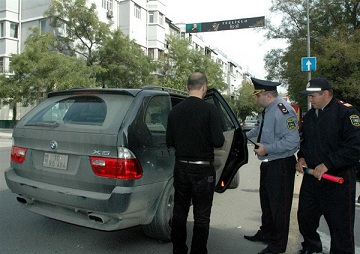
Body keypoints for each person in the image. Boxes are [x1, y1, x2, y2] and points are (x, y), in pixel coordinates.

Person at [295, 78, 360, 254]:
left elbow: (354, 147)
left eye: (313, 96)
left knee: (340, 228)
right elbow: (306, 142)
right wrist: (301, 157)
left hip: (338, 179)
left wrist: (328, 164)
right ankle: (311, 246)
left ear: (325, 93)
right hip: (312, 178)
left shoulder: (346, 113)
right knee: (305, 218)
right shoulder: (309, 116)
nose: (310, 100)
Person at [166, 72, 225, 254]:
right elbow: (218, 141)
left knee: (179, 212)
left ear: (187, 87)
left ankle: (179, 249)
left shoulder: (175, 110)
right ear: (204, 87)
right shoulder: (210, 110)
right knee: (201, 216)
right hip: (203, 170)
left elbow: (170, 141)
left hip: (181, 167)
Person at [244, 77, 300, 254]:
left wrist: (267, 149)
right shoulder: (268, 111)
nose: (255, 99)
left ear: (267, 95)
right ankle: (266, 233)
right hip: (269, 164)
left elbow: (292, 141)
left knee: (279, 207)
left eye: (257, 95)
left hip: (281, 165)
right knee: (267, 203)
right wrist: (238, 134)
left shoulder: (283, 111)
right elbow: (257, 131)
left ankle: (278, 244)